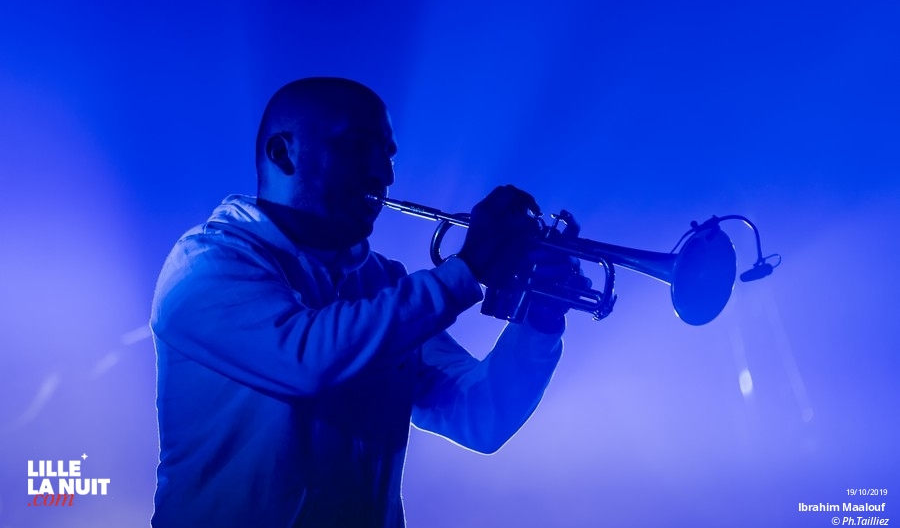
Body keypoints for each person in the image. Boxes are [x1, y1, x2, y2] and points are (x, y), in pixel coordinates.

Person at [149, 77, 584, 527]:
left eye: (388, 154)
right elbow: (307, 360)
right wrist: (467, 269)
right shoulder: (205, 264)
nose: (385, 174)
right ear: (283, 153)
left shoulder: (383, 285)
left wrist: (540, 321)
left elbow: (479, 416)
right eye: (358, 147)